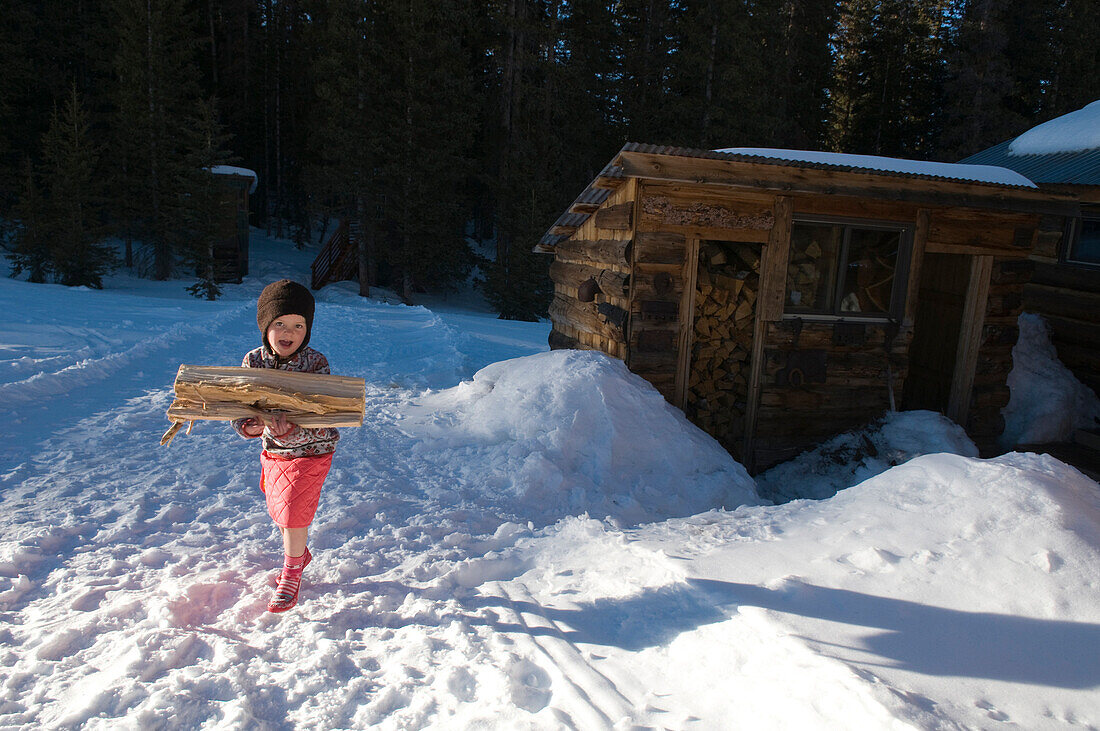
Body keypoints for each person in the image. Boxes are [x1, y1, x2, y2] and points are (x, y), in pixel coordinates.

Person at [232, 279, 339, 613]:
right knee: (281, 512)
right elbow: (240, 408)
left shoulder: (315, 363)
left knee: (294, 511)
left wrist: (295, 424)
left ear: (306, 330)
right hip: (275, 452)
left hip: (313, 451)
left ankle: (291, 573)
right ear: (266, 326)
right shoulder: (253, 361)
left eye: (297, 325)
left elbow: (324, 413)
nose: (288, 332)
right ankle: (300, 551)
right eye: (279, 324)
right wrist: (252, 425)